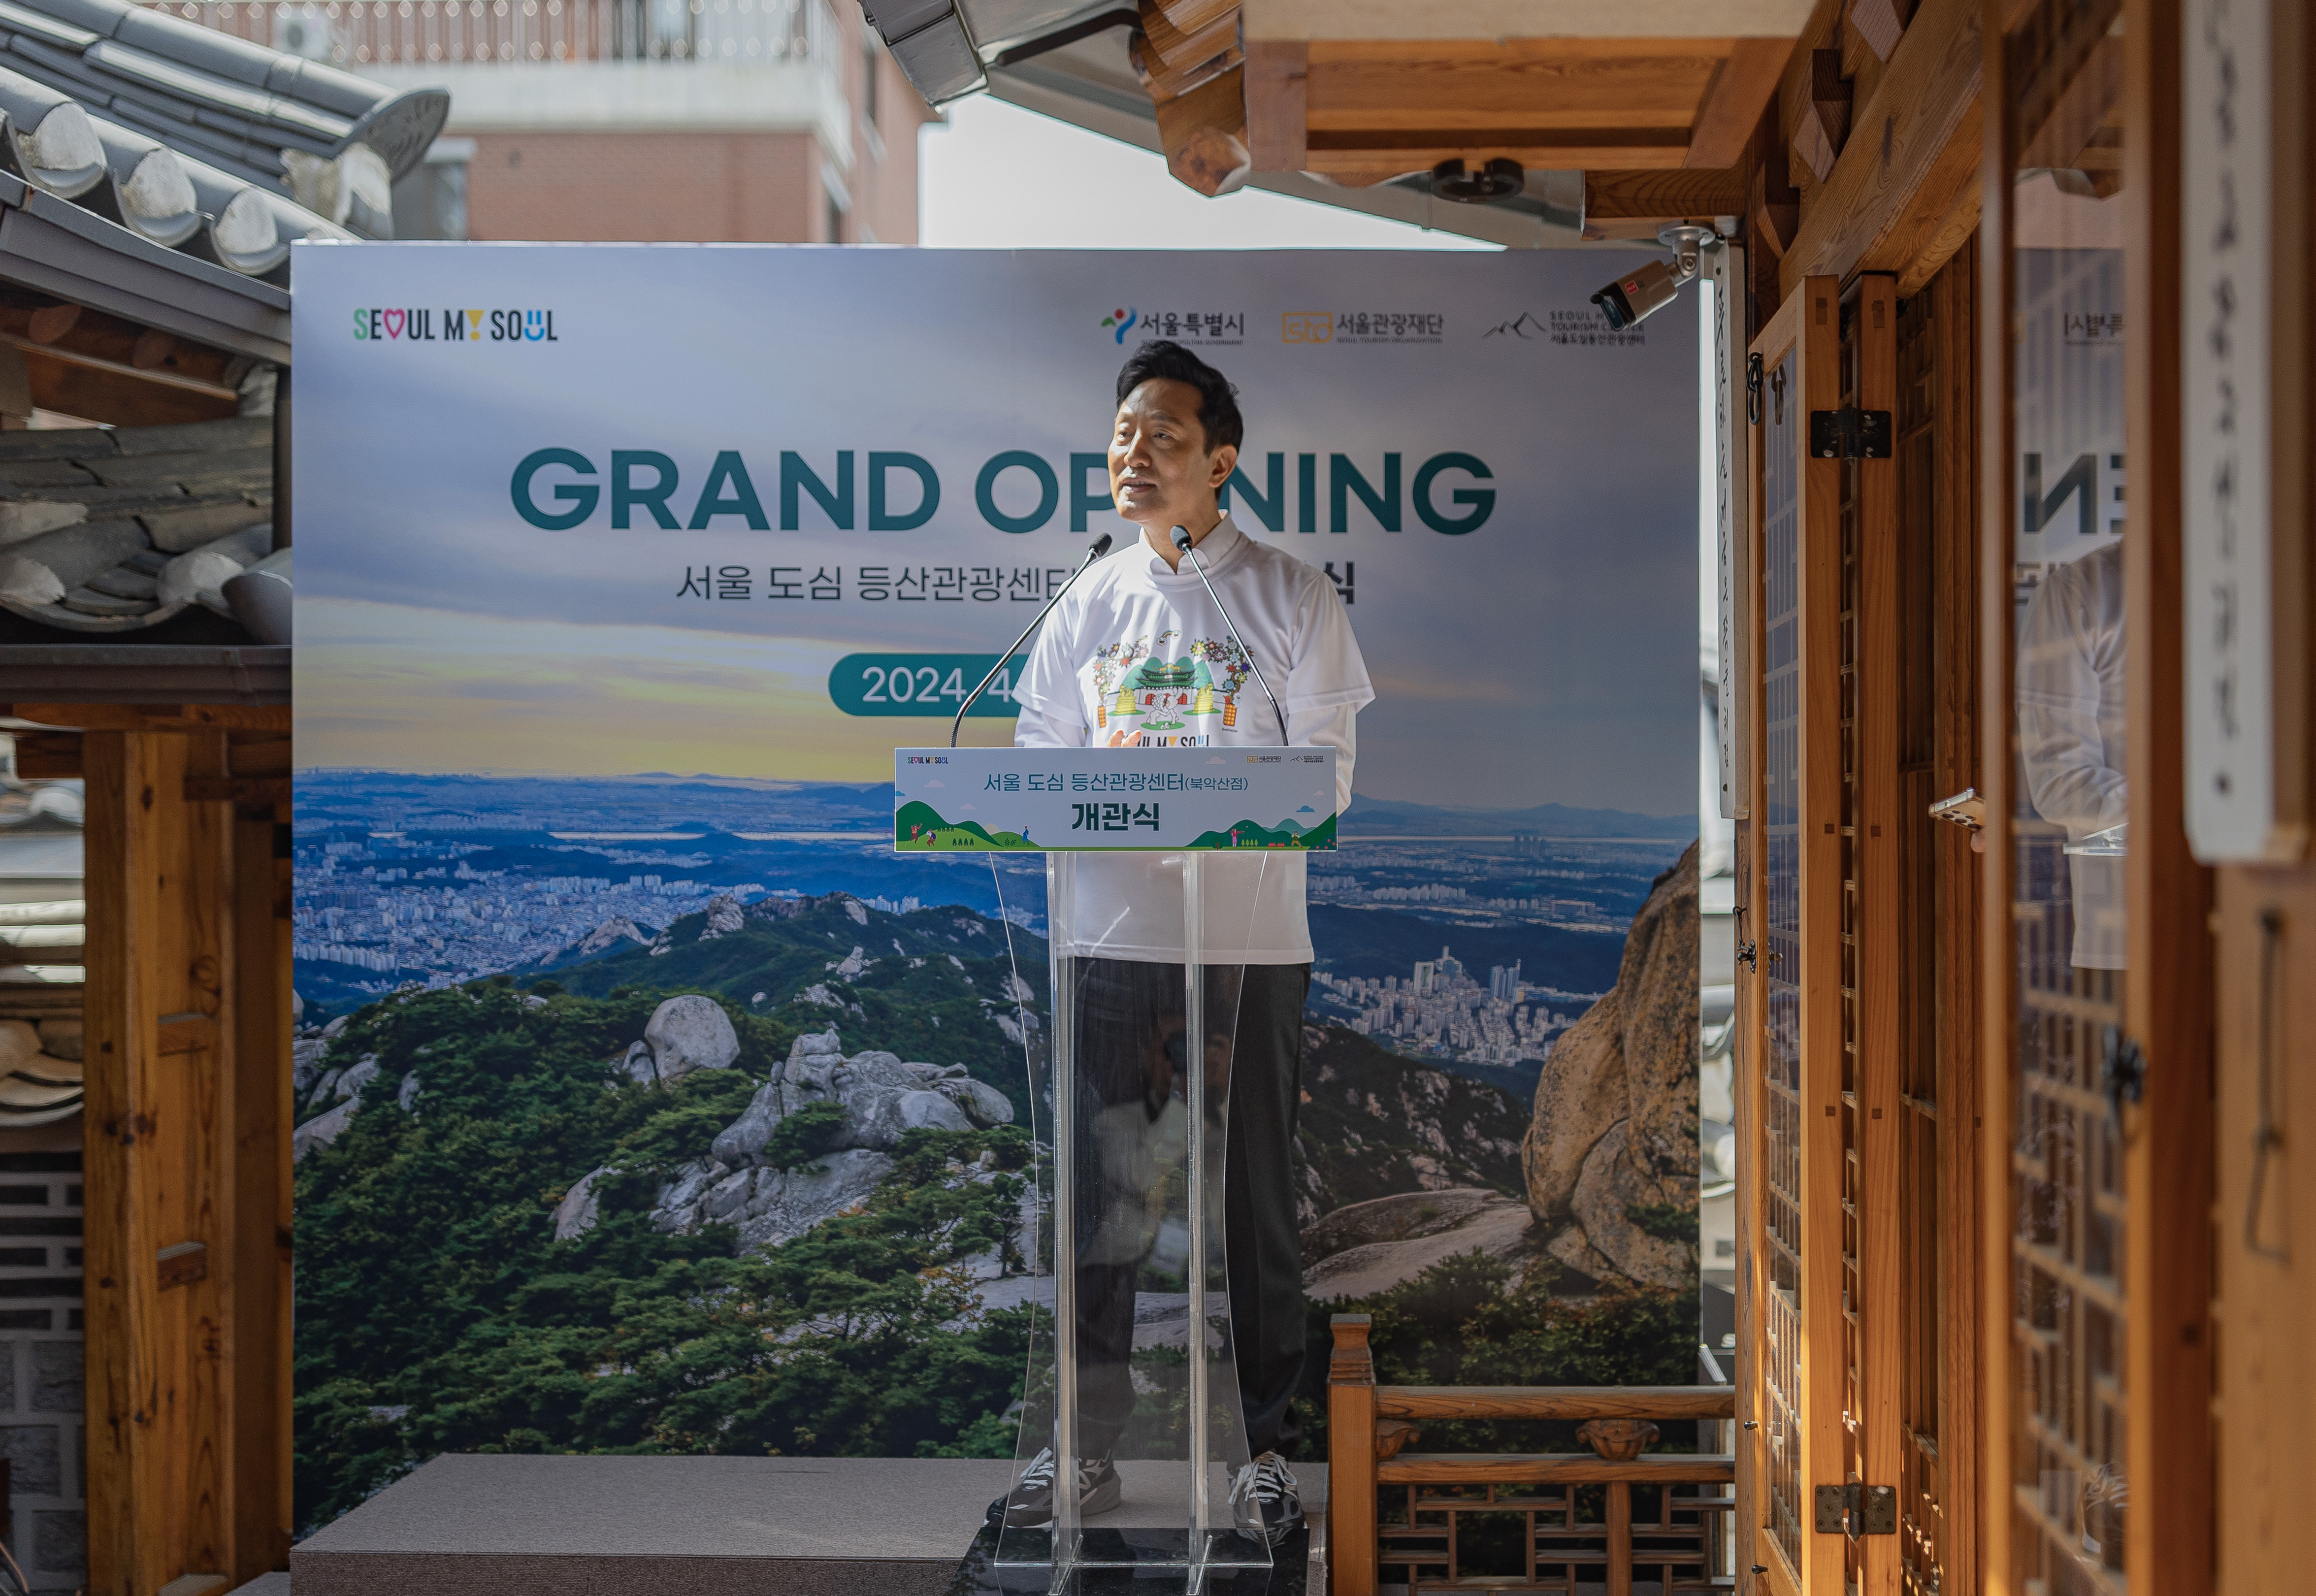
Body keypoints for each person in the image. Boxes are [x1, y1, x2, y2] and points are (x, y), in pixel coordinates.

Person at [994, 340, 1372, 1542]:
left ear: (1221, 459)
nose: (1133, 455)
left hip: (1250, 940)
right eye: (1120, 436)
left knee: (1256, 1202)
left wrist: (1204, 802)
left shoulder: (1292, 595)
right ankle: (1083, 1453)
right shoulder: (1084, 599)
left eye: (1161, 436)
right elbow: (1036, 768)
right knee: (1107, 1199)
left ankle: (1266, 1452)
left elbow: (1329, 781)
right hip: (1111, 936)